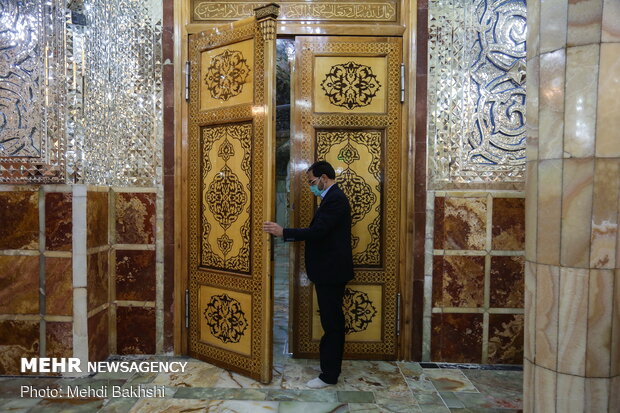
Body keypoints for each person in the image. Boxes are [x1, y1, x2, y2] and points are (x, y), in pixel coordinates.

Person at [263, 160, 354, 388]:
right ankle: (328, 369)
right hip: (328, 271)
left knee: (332, 324)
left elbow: (318, 232)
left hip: (331, 272)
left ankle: (329, 376)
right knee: (330, 321)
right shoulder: (330, 198)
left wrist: (284, 232)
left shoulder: (335, 199)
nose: (312, 186)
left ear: (324, 178)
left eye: (313, 182)